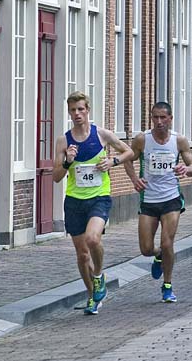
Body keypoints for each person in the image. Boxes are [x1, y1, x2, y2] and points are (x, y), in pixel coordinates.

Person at [52, 91, 134, 315]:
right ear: (69, 113)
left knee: (92, 238)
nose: (77, 114)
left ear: (87, 110)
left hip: (99, 196)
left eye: (80, 109)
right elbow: (56, 176)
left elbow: (129, 151)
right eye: (73, 110)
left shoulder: (102, 135)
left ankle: (98, 276)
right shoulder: (64, 140)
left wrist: (112, 161)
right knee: (81, 254)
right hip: (74, 201)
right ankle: (92, 296)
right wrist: (68, 161)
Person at [123, 102, 192, 302]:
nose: (159, 122)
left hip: (171, 198)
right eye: (155, 117)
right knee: (146, 249)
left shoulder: (179, 141)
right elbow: (128, 159)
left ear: (170, 118)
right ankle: (157, 256)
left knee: (167, 243)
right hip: (148, 199)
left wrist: (186, 169)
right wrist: (134, 179)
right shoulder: (142, 140)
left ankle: (167, 285)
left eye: (162, 117)